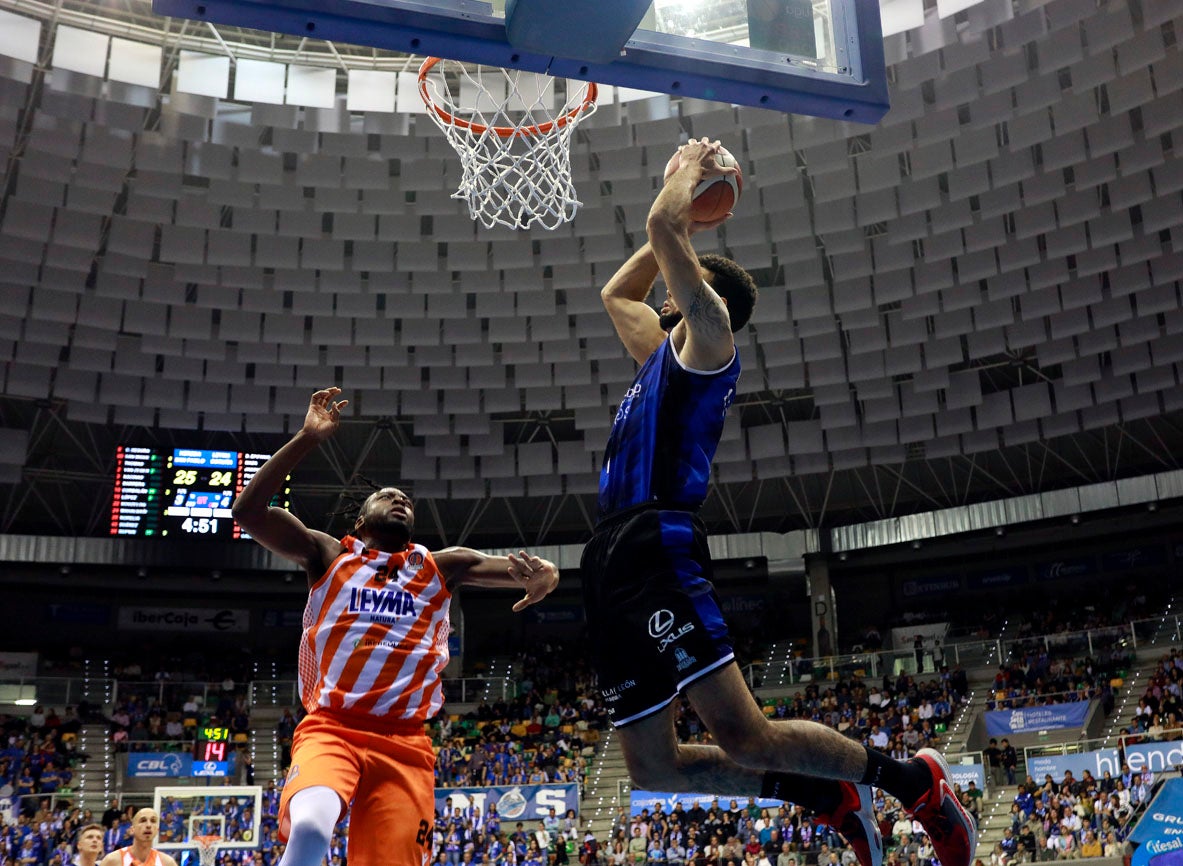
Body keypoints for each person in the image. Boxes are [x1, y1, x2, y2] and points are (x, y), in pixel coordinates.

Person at [580, 137, 976, 866]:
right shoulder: (657, 355)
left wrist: (686, 184)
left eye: (679, 282)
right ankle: (823, 796)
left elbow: (660, 232)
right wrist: (690, 228)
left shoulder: (708, 342)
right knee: (652, 769)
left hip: (656, 542)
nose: (664, 291)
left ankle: (913, 782)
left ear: (703, 296)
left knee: (745, 735)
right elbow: (616, 294)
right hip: (606, 556)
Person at [232, 387, 561, 866]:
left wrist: (545, 574)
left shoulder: (441, 566)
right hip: (333, 727)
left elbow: (517, 569)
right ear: (361, 518)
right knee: (307, 828)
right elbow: (248, 513)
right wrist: (307, 438)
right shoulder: (329, 554)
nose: (400, 499)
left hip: (405, 741)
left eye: (406, 499)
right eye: (387, 497)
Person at [98, 809, 178, 866]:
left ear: (157, 830)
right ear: (132, 829)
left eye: (153, 821)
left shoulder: (167, 862)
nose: (148, 825)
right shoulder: (112, 860)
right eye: (143, 820)